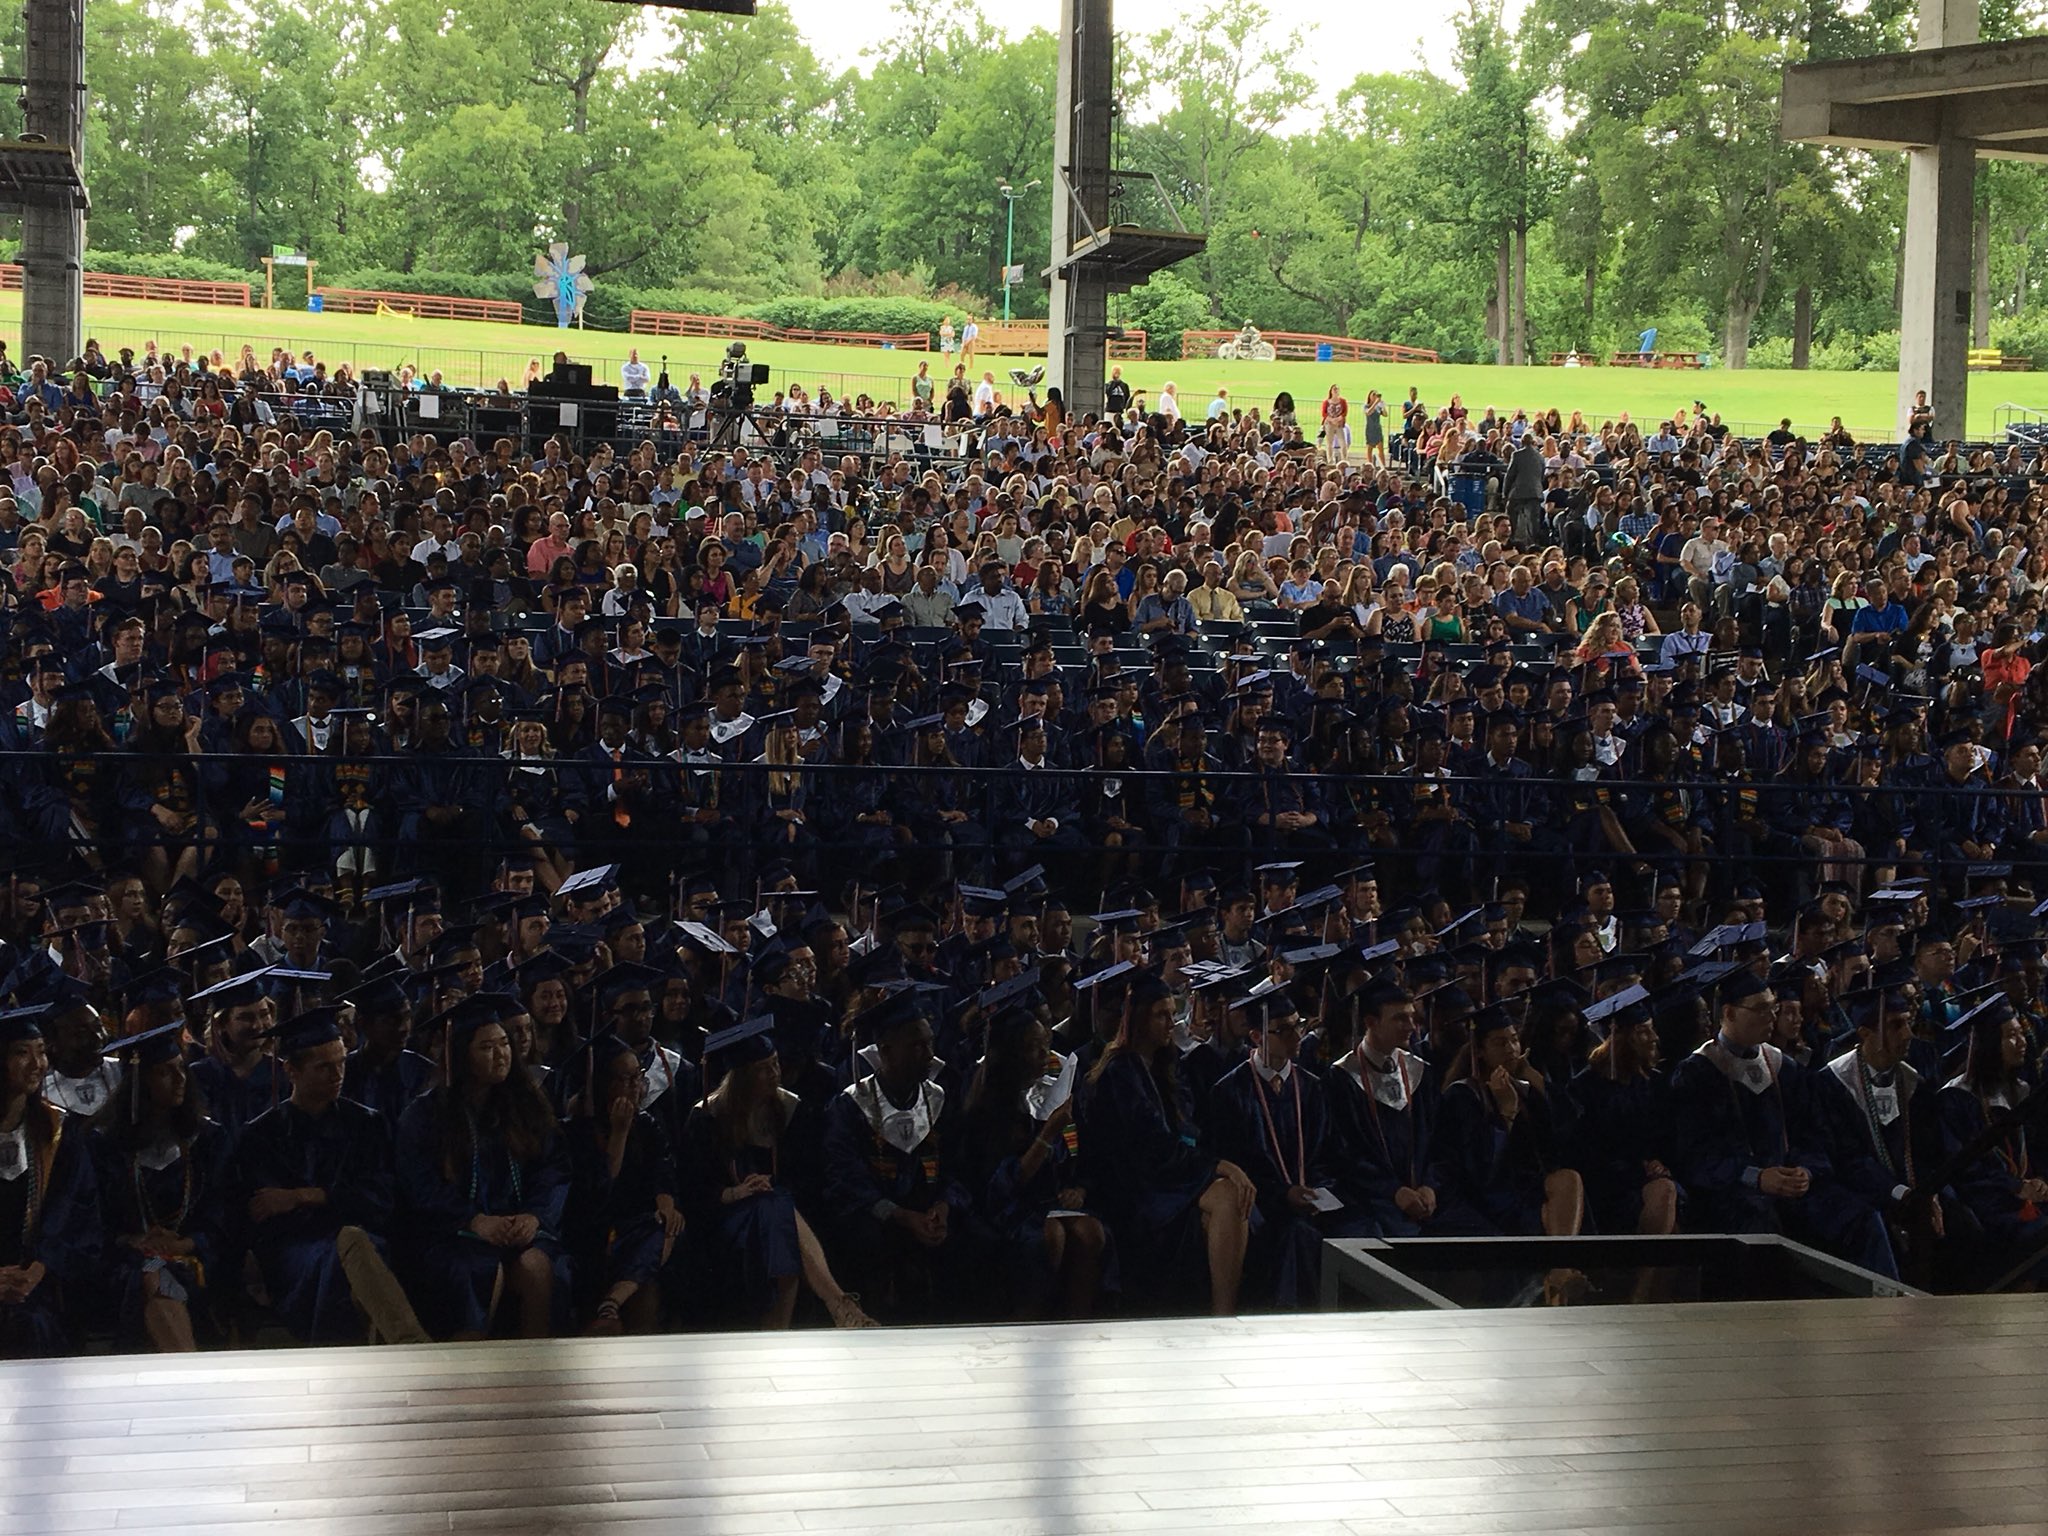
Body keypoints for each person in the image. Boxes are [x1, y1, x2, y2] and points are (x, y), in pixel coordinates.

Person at [237, 1007, 430, 1344]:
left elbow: (382, 1199)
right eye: (324, 1066)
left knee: (353, 1243)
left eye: (341, 1062)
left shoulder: (367, 1124)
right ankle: (410, 1344)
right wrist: (339, 1203)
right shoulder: (262, 1135)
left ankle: (401, 1345)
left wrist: (306, 1196)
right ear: (291, 1070)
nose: (338, 1074)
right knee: (346, 1249)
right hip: (297, 1254)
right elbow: (265, 1214)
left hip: (365, 1243)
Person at [395, 994, 570, 1339]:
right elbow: (420, 1186)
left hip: (520, 1227)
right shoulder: (426, 1115)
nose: (501, 1054)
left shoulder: (526, 1103)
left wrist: (534, 1216)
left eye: (504, 1043)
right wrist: (474, 1220)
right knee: (479, 1270)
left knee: (538, 1266)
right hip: (453, 1234)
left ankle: (538, 1363)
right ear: (462, 1055)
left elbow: (553, 1169)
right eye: (487, 1047)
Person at [1078, 972, 1253, 1313]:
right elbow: (1151, 1145)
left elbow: (1183, 1133)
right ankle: (1224, 1315)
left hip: (1164, 1178)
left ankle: (1222, 1313)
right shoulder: (1121, 1070)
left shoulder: (1159, 1066)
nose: (1171, 1023)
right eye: (1161, 1015)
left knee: (1225, 1205)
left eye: (1173, 1013)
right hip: (1136, 1188)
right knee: (1227, 1196)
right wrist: (1220, 1165)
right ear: (1139, 1019)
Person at [0, 1002, 101, 1357]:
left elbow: (79, 1217)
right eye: (21, 1053)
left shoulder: (59, 1132)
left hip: (38, 1285)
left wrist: (37, 1270)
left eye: (41, 1051)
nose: (37, 1064)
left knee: (32, 1324)